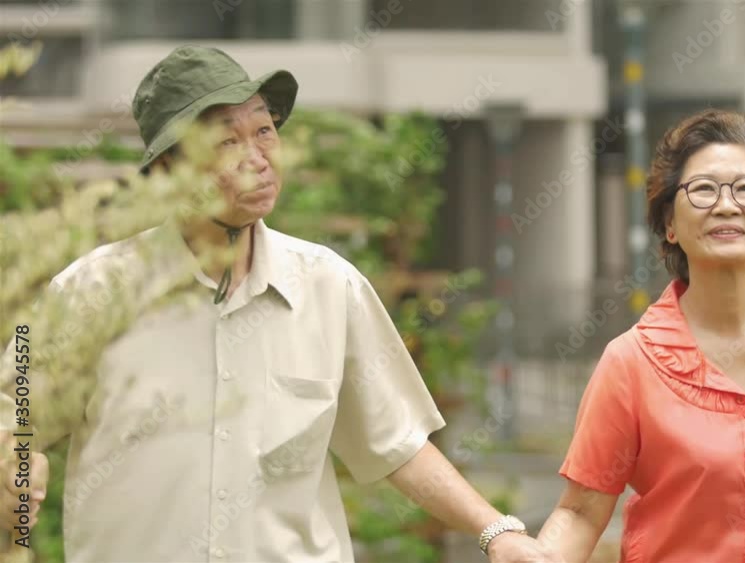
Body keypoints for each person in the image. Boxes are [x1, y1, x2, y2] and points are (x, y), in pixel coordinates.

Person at [0, 45, 563, 563]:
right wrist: (16, 467)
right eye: (226, 141)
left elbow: (399, 443)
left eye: (265, 132)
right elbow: (14, 410)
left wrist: (497, 532)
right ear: (168, 168)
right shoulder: (90, 292)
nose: (257, 157)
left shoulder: (330, 287)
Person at [537, 110, 745, 563]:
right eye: (702, 189)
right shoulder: (630, 363)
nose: (726, 205)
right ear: (669, 226)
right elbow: (581, 513)